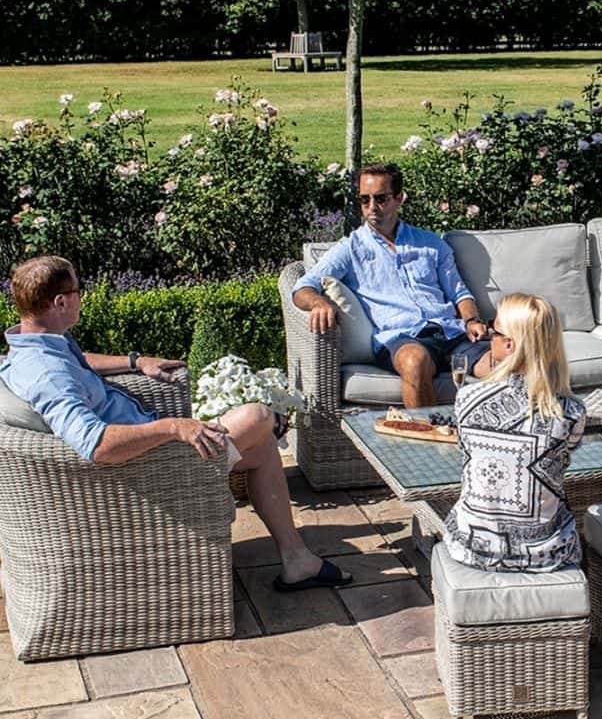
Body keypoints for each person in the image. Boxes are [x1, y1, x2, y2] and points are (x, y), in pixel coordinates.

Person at [0, 256, 349, 593]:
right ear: (60, 302)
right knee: (258, 418)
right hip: (144, 472)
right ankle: (272, 533)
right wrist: (172, 427)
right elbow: (97, 445)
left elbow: (79, 363)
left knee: (261, 445)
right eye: (79, 290)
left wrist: (135, 362)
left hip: (149, 450)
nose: (82, 297)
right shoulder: (48, 374)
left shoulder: (33, 345)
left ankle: (297, 560)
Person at [292, 161, 492, 407]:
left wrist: (472, 321)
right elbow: (302, 287)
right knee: (415, 360)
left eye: (381, 198)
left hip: (451, 334)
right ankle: (427, 442)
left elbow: (460, 293)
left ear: (399, 198)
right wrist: (318, 302)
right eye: (364, 200)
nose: (371, 207)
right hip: (401, 339)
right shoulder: (351, 248)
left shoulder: (431, 243)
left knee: (508, 361)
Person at [443, 293, 587, 572]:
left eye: (493, 332)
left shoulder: (466, 399)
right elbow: (565, 451)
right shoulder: (571, 412)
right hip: (544, 553)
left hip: (472, 547)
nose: (488, 338)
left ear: (509, 344)